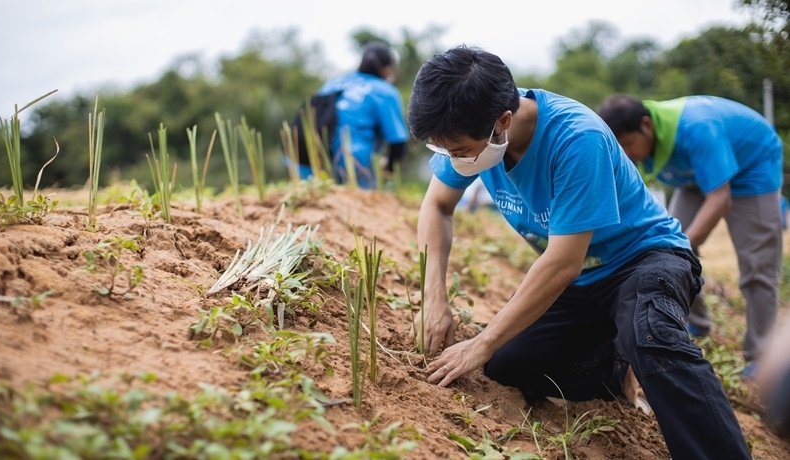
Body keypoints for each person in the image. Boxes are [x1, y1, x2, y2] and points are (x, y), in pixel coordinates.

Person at [409, 45, 750, 459]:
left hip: (645, 258)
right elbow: (437, 205)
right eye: (447, 152)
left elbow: (563, 261)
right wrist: (434, 299)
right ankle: (613, 369)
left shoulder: (576, 138)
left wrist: (482, 341)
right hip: (586, 277)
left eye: (461, 151)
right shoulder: (469, 131)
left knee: (649, 334)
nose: (455, 161)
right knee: (509, 365)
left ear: (503, 122)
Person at [596, 94, 784, 378]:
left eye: (630, 145)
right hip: (694, 177)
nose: (629, 153)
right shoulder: (652, 140)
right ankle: (697, 323)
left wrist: (683, 243)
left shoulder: (698, 128)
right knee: (664, 249)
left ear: (646, 125)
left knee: (757, 266)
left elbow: (720, 199)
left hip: (752, 169)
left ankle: (761, 352)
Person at [298, 41, 409, 189]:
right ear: (388, 69)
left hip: (311, 155)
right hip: (353, 161)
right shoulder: (384, 91)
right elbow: (398, 141)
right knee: (359, 204)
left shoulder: (334, 82)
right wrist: (389, 167)